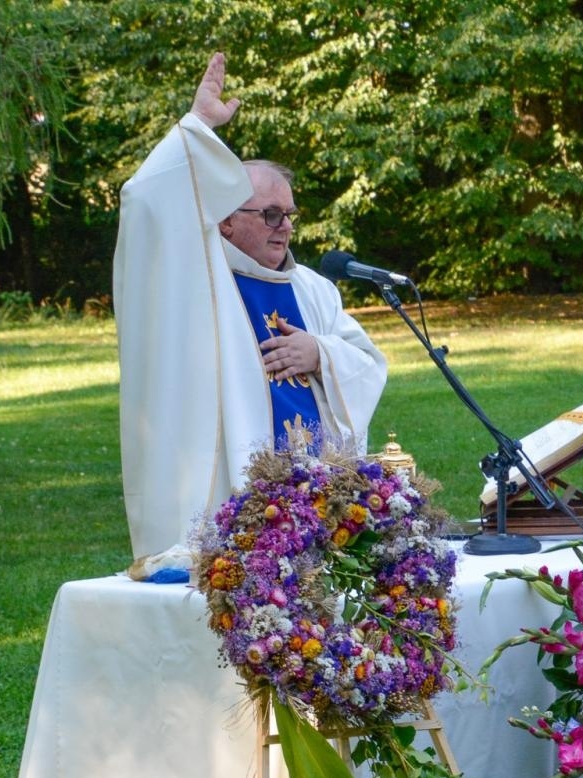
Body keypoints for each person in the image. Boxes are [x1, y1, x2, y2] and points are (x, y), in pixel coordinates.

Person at [113, 52, 388, 562]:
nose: (284, 225)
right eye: (268, 213)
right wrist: (196, 129)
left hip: (319, 502)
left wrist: (320, 353)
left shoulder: (313, 290)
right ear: (224, 221)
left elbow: (369, 363)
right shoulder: (198, 283)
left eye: (289, 214)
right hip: (231, 498)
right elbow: (145, 203)